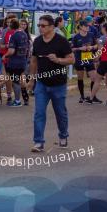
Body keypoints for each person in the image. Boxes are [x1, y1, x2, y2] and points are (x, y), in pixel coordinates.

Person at [28, 14, 74, 153]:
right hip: (42, 83)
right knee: (39, 113)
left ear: (52, 27)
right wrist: (31, 79)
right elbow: (34, 60)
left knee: (60, 112)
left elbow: (72, 60)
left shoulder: (61, 41)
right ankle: (38, 142)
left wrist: (58, 60)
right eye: (39, 26)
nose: (40, 28)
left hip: (58, 83)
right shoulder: (37, 42)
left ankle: (63, 136)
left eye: (43, 26)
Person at [71, 20, 101, 104]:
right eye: (85, 26)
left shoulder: (91, 35)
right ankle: (82, 96)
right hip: (79, 59)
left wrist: (92, 47)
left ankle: (92, 96)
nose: (88, 27)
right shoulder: (76, 37)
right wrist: (80, 48)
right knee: (80, 78)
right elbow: (72, 49)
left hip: (89, 59)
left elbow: (97, 45)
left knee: (94, 78)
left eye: (88, 26)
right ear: (80, 27)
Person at [5, 18, 29, 107]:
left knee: (15, 82)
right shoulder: (24, 34)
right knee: (20, 80)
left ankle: (17, 101)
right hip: (23, 61)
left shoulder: (14, 36)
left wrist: (5, 55)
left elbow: (11, 51)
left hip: (15, 62)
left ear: (11, 26)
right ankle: (24, 98)